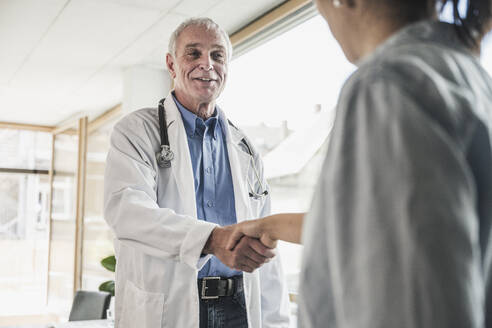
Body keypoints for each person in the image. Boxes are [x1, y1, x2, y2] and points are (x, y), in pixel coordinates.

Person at [226, 0, 492, 327]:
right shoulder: (468, 79)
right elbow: (391, 221)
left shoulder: (387, 85)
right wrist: (270, 225)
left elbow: (411, 301)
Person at [103, 17, 290, 328]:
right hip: (170, 307)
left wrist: (276, 320)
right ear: (172, 65)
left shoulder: (245, 148)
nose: (207, 64)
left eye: (218, 55)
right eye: (193, 54)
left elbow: (265, 244)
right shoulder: (137, 131)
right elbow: (127, 211)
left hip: (239, 308)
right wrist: (211, 239)